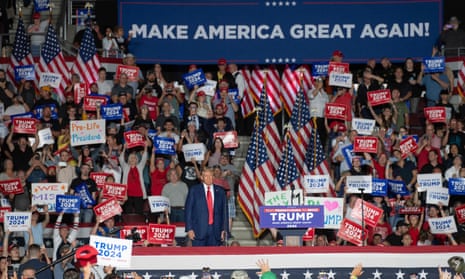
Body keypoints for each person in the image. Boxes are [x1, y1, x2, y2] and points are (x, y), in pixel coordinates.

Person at [185, 167, 228, 246]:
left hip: (216, 231)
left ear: (213, 177)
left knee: (214, 257)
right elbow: (188, 210)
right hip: (198, 230)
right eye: (206, 176)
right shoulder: (194, 190)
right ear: (201, 177)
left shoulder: (221, 191)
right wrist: (189, 229)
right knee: (199, 257)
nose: (209, 178)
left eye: (211, 176)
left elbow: (224, 212)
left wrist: (224, 229)